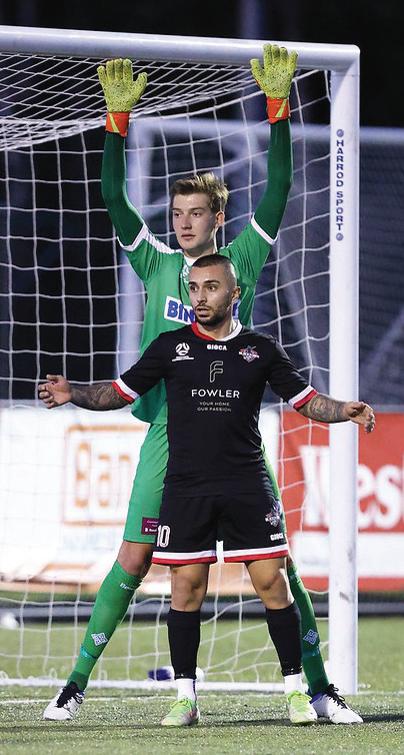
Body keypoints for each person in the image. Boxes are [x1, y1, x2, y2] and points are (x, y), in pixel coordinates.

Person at [42, 45, 362, 725]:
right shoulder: (155, 261)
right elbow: (112, 198)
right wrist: (116, 124)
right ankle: (74, 685)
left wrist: (277, 111)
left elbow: (278, 190)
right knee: (135, 558)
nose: (182, 221)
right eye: (177, 211)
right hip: (167, 436)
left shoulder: (242, 257)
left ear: (217, 218)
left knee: (277, 566)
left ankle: (317, 687)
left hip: (234, 433)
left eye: (194, 212)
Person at [38, 255, 375, 726]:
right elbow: (119, 391)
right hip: (186, 488)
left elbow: (306, 401)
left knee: (273, 583)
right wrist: (73, 392)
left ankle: (297, 693)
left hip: (246, 484)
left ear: (234, 294)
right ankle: (185, 699)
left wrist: (344, 410)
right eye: (194, 288)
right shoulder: (170, 347)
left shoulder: (261, 349)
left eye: (211, 287)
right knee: (186, 589)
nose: (200, 297)